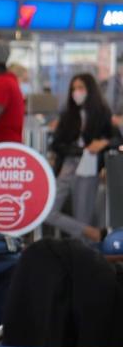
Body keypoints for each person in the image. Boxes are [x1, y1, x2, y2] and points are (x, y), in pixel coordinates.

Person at [46, 73, 120, 242]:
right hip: (67, 166)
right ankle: (91, 232)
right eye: (73, 89)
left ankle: (84, 253)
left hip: (90, 168)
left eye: (80, 88)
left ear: (90, 90)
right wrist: (80, 150)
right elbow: (57, 144)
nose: (76, 92)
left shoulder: (102, 113)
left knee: (83, 214)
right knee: (47, 211)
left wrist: (103, 143)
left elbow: (116, 140)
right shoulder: (68, 114)